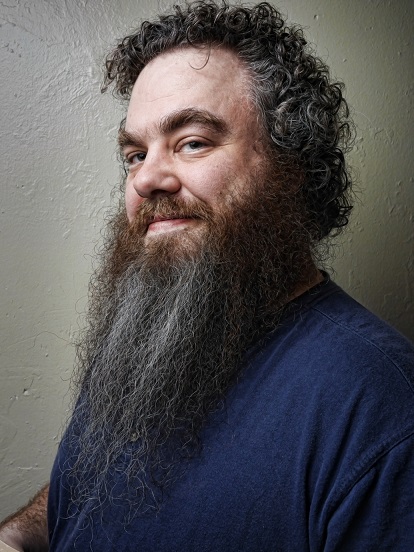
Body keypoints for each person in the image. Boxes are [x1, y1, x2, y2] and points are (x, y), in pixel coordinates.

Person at [1, 1, 413, 550]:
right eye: (134, 154)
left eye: (192, 142)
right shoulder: (147, 337)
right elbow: (100, 491)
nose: (146, 178)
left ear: (291, 164)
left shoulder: (380, 411)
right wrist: (18, 536)